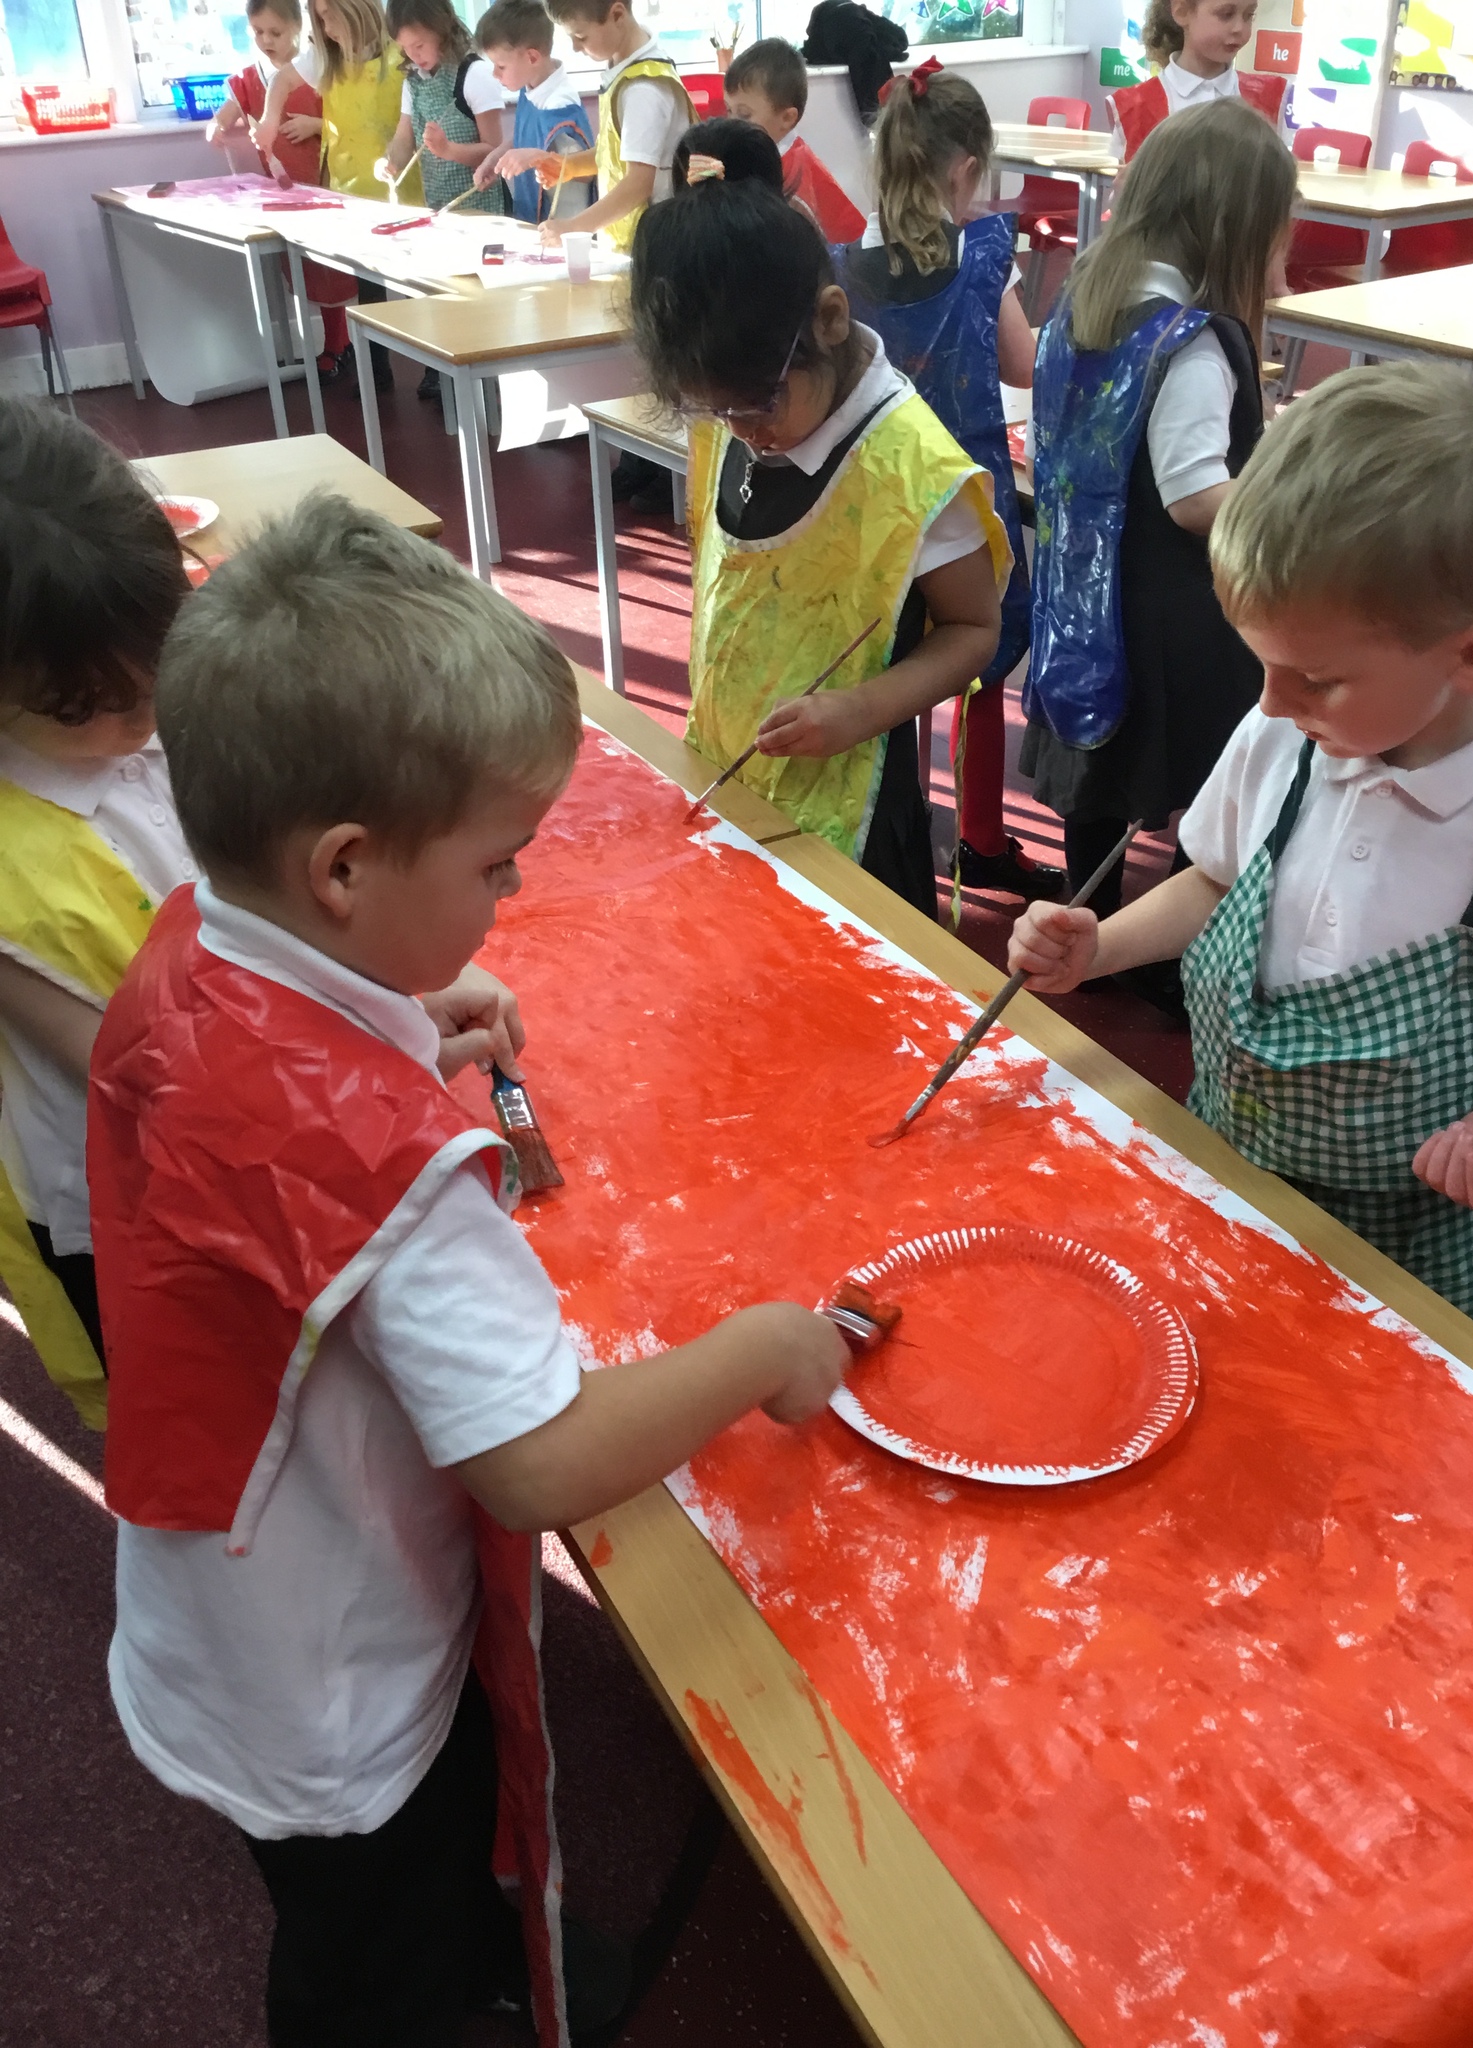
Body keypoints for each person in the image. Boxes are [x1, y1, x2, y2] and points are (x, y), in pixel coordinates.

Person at [92, 498, 849, 2046]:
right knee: (368, 1968)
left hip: (235, 1603)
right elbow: (541, 1463)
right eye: (497, 867)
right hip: (333, 1684)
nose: (511, 898)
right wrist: (767, 1345)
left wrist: (390, 1019)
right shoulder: (395, 1175)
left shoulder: (188, 938)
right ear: (344, 870)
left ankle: (471, 1956)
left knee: (395, 1904)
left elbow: (257, 1106)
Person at [1009, 362, 1473, 1334]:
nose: (1269, 703)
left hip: (1411, 1247)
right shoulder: (1288, 725)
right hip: (1228, 1169)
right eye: (1263, 664)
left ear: (1472, 658)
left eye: (1314, 678)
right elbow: (1218, 877)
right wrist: (1103, 945)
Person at [629, 166, 1011, 917]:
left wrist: (860, 710)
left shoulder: (914, 470)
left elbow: (975, 630)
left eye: (759, 404)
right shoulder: (736, 396)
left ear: (831, 320)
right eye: (717, 411)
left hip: (851, 825)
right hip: (729, 776)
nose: (743, 431)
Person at [1022, 99, 1294, 936]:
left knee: (1099, 776)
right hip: (1172, 617)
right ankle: (1177, 947)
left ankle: (1084, 911)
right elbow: (1195, 496)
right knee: (1210, 769)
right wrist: (1288, 493)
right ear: (1237, 230)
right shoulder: (1191, 339)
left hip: (1081, 593)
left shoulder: (1083, 304)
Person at [0, 400, 192, 1431]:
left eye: (157, 672)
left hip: (228, 1134)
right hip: (117, 1205)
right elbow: (146, 1070)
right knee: (182, 1427)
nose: (142, 717)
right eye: (89, 707)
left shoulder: (135, 719)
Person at [838, 60, 1054, 903]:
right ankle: (981, 838)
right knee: (977, 660)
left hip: (880, 502)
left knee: (896, 661)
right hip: (967, 500)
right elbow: (1024, 366)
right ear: (966, 170)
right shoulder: (984, 253)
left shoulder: (845, 262)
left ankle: (896, 825)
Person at [257, 0, 421, 390]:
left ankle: (436, 373)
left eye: (331, 16)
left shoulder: (401, 52)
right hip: (352, 190)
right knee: (369, 286)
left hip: (406, 189)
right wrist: (268, 119)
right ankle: (376, 369)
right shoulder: (325, 57)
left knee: (420, 284)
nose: (328, 28)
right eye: (321, 20)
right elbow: (281, 82)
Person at [474, 0, 691, 253]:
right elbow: (611, 154)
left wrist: (573, 227)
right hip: (632, 240)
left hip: (656, 244)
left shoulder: (643, 89)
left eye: (580, 36)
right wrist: (568, 166)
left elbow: (639, 184)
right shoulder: (622, 69)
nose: (575, 48)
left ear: (617, 15)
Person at [723, 36, 866, 244]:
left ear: (787, 118)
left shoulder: (793, 177)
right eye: (728, 110)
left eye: (745, 115)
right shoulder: (762, 151)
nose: (732, 123)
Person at [1110, 0, 1286, 159]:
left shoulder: (1271, 97)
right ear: (1182, 11)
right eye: (1226, 14)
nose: (1239, 28)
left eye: (1249, 15)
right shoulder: (1133, 106)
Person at [378, 0, 507, 215]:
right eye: (404, 47)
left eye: (419, 46)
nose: (413, 55)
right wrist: (389, 162)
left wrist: (448, 150)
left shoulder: (475, 74)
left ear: (440, 29)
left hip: (482, 209)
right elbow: (403, 140)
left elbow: (495, 151)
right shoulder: (413, 81)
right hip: (438, 207)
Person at [474, 0, 594, 225]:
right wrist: (495, 158)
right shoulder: (530, 85)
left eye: (501, 66)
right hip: (534, 219)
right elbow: (527, 134)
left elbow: (587, 173)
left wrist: (536, 157)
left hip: (563, 223)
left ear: (532, 58)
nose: (495, 74)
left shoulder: (560, 104)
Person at [207, 0, 323, 186]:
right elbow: (222, 119)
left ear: (297, 25)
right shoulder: (247, 79)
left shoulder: (317, 68)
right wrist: (214, 128)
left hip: (326, 184)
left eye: (275, 33)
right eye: (258, 32)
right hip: (279, 186)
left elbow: (346, 128)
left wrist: (315, 125)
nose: (266, 40)